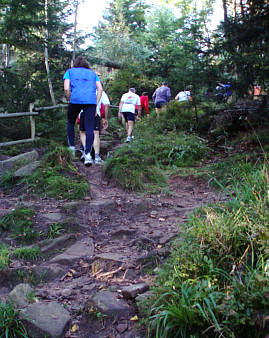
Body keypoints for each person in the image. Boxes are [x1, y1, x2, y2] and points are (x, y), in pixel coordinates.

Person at [63, 55, 103, 166]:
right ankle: (88, 155)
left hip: (75, 100)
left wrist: (69, 99)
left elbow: (66, 88)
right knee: (90, 127)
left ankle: (71, 148)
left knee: (71, 122)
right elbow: (100, 88)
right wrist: (96, 102)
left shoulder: (70, 72)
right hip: (90, 101)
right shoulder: (93, 74)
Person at [79, 90, 110, 164]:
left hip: (83, 113)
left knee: (83, 133)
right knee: (95, 134)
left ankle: (87, 155)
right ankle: (96, 157)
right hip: (95, 113)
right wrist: (105, 118)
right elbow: (107, 105)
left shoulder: (82, 89)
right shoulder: (100, 91)